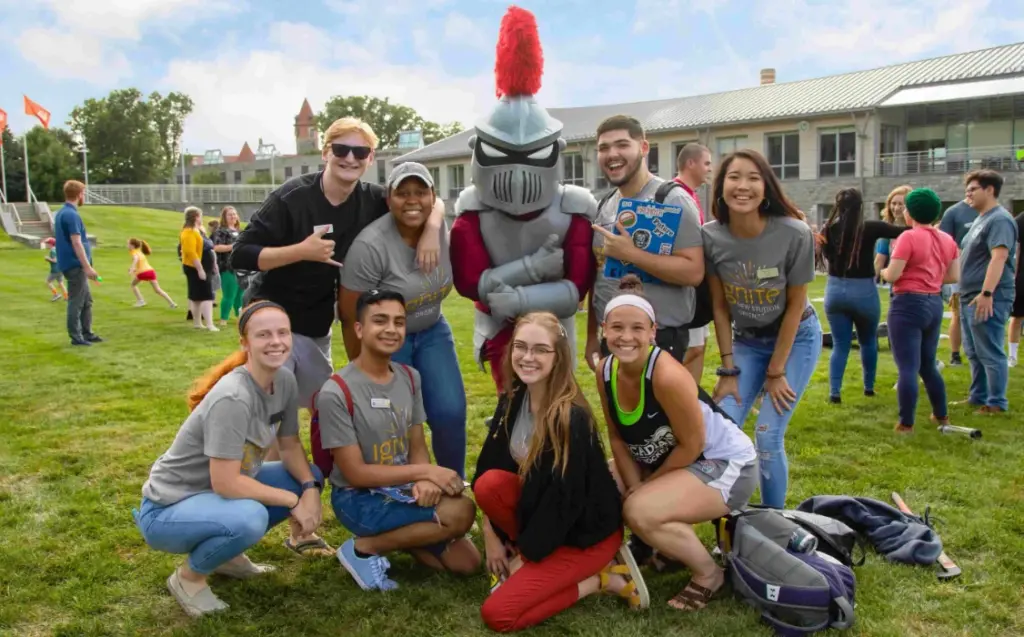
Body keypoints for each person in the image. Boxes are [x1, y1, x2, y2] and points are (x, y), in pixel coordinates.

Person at [229, 117, 444, 447]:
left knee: (326, 404)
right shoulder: (292, 197)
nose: (350, 158)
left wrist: (432, 229)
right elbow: (240, 253)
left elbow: (425, 200)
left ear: (370, 159)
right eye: (342, 149)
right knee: (271, 412)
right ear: (325, 152)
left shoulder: (371, 199)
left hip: (316, 324)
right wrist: (301, 251)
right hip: (273, 313)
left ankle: (326, 474)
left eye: (361, 152)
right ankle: (265, 485)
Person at [134, 302, 326, 618]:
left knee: (307, 474)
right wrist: (293, 501)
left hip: (214, 493)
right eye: (263, 334)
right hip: (168, 508)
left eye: (283, 332)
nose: (276, 341)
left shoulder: (284, 381)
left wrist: (309, 488)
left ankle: (225, 556)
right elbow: (226, 483)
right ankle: (189, 579)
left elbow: (289, 445)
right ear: (244, 342)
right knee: (250, 516)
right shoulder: (233, 397)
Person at [450, 6, 598, 395]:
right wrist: (537, 266)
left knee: (557, 402)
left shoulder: (574, 206)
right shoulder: (473, 209)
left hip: (554, 327)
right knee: (510, 403)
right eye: (500, 154)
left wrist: (511, 296)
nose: (516, 172)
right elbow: (471, 283)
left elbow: (575, 289)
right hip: (497, 329)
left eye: (531, 154)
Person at [473, 311, 647, 632]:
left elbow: (565, 502)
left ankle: (603, 579)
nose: (528, 357)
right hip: (544, 518)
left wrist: (525, 555)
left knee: (499, 614)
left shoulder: (570, 419)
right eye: (521, 347)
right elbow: (488, 468)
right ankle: (538, 560)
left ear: (559, 357)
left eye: (540, 349)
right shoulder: (513, 400)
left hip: (584, 534)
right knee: (489, 484)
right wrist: (491, 536)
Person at [595, 276, 757, 611]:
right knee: (600, 483)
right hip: (671, 460)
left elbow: (691, 444)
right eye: (617, 328)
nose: (626, 337)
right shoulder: (606, 370)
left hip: (726, 463)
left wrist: (644, 488)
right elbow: (616, 436)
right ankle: (663, 549)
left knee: (639, 508)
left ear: (653, 331)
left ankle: (709, 574)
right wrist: (634, 482)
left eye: (638, 328)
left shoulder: (666, 375)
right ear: (603, 329)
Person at [317, 289, 480, 591]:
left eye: (399, 322)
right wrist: (425, 472)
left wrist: (426, 481)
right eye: (380, 321)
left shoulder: (409, 376)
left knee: (466, 564)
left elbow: (416, 444)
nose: (391, 329)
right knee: (461, 512)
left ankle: (404, 536)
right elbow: (355, 473)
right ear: (359, 328)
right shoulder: (336, 391)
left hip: (401, 488)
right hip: (357, 497)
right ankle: (363, 548)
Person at [703, 149, 821, 509]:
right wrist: (728, 369)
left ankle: (775, 521)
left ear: (766, 187)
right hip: (748, 343)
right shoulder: (710, 237)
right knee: (721, 430)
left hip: (796, 337)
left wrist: (776, 371)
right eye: (734, 177)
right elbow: (720, 308)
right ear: (720, 186)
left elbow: (795, 306)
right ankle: (728, 520)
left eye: (753, 177)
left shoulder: (795, 233)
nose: (743, 186)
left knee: (768, 436)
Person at [339, 162, 466, 478]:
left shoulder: (441, 228)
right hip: (388, 339)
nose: (412, 200)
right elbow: (349, 314)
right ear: (388, 199)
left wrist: (433, 227)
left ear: (432, 196)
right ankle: (403, 490)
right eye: (402, 193)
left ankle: (452, 485)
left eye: (420, 192)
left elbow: (438, 207)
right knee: (397, 422)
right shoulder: (370, 246)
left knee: (450, 411)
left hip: (432, 328)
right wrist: (361, 370)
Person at [587, 115, 704, 369]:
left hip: (659, 339)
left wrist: (633, 254)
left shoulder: (672, 199)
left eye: (622, 145)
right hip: (612, 336)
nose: (612, 154)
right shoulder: (605, 204)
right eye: (603, 148)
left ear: (643, 148)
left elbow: (694, 272)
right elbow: (599, 275)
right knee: (617, 409)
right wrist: (592, 336)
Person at [880, 189, 961, 434]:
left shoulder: (908, 237)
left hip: (907, 304)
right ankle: (941, 414)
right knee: (927, 364)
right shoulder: (947, 239)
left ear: (910, 212)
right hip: (933, 303)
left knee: (907, 367)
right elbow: (954, 275)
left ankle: (906, 423)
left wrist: (883, 272)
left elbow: (892, 274)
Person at [820, 188, 908, 403]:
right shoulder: (870, 227)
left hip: (834, 290)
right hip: (863, 292)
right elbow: (903, 232)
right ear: (860, 206)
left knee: (840, 345)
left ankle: (834, 392)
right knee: (868, 341)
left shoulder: (828, 230)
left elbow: (827, 256)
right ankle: (868, 388)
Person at [956, 169, 1018, 414]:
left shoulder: (1000, 219)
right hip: (968, 295)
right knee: (973, 351)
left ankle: (996, 403)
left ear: (990, 190)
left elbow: (999, 257)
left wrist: (987, 293)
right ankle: (978, 396)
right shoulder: (981, 218)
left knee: (990, 350)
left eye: (973, 189)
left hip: (989, 296)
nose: (967, 194)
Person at [674, 143, 714, 384]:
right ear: (691, 163)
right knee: (693, 348)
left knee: (701, 345)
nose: (710, 168)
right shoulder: (676, 196)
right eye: (707, 163)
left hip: (697, 288)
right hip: (685, 289)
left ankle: (693, 401)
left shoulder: (690, 194)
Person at [53, 180, 102, 346]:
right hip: (75, 265)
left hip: (74, 264)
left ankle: (87, 333)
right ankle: (76, 337)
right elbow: (76, 242)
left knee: (87, 301)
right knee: (76, 301)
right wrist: (87, 266)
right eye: (83, 194)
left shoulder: (61, 213)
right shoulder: (71, 215)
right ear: (79, 194)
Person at [938, 198, 979, 366]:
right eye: (969, 188)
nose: (971, 192)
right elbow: (944, 243)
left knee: (980, 314)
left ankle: (978, 354)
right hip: (959, 273)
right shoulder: (954, 212)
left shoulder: (992, 213)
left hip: (984, 272)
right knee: (958, 313)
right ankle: (955, 354)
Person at [180, 207, 218, 331]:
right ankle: (209, 324)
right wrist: (200, 269)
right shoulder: (189, 232)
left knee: (196, 296)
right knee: (206, 296)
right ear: (196, 217)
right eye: (200, 216)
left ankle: (198, 322)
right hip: (195, 267)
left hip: (202, 265)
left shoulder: (197, 230)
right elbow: (191, 252)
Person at [212, 206, 245, 326]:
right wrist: (233, 246)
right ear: (224, 217)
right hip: (227, 267)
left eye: (234, 214)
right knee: (229, 294)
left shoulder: (241, 231)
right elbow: (216, 247)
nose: (233, 216)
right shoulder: (221, 231)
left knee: (240, 295)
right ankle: (223, 319)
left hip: (241, 267)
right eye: (230, 214)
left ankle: (240, 317)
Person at [874, 185, 911, 285]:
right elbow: (880, 258)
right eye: (893, 203)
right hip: (896, 283)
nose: (896, 208)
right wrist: (870, 283)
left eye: (901, 204)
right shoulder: (887, 228)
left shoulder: (916, 227)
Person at [127, 238, 177, 308]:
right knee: (158, 290)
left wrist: (132, 268)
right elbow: (140, 262)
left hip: (142, 273)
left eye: (128, 244)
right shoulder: (139, 251)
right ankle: (172, 303)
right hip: (150, 271)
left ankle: (141, 301)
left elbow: (136, 259)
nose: (127, 246)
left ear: (133, 246)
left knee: (133, 285)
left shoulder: (133, 252)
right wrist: (134, 268)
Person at [1010, 210, 1024, 368]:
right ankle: (1012, 356)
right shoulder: (1020, 220)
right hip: (1021, 276)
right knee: (1017, 317)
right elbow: (1016, 249)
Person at [207, 219, 222, 303]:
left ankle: (212, 300)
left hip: (214, 259)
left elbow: (212, 248)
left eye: (209, 226)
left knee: (212, 280)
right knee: (214, 280)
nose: (208, 228)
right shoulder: (218, 234)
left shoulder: (213, 236)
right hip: (216, 259)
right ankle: (213, 299)